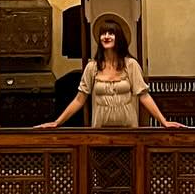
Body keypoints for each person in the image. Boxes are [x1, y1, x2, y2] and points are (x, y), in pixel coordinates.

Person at [37, 14, 183, 130]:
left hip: (128, 131)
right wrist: (58, 122)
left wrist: (163, 121)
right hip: (100, 132)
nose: (106, 36)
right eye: (103, 34)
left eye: (111, 33)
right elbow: (79, 99)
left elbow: (144, 96)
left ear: (118, 37)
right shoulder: (92, 67)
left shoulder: (130, 65)